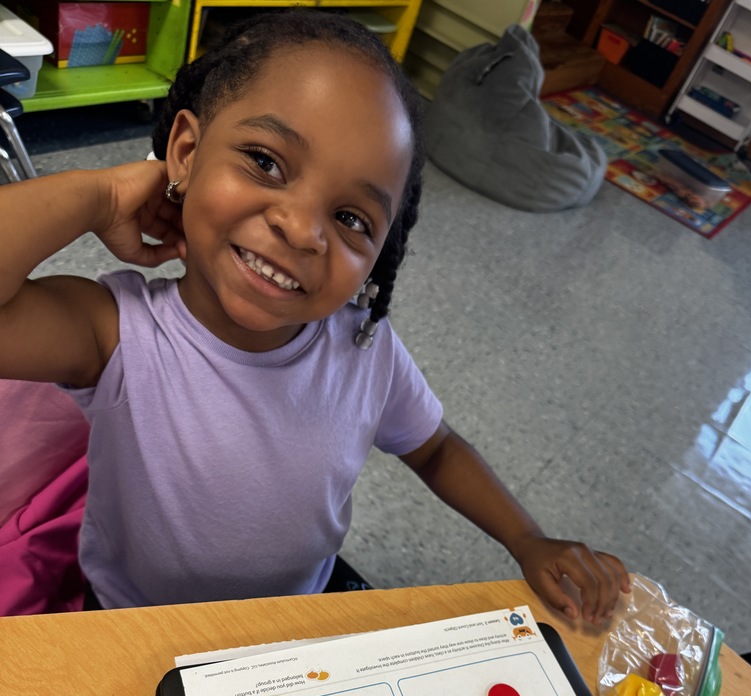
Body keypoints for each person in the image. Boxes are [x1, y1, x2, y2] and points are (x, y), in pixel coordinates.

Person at [0, 9, 630, 623]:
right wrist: (100, 194)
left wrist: (526, 539)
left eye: (352, 218)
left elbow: (435, 449)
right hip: (128, 627)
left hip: (291, 633)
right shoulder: (115, 333)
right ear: (186, 152)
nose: (302, 231)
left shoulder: (365, 349)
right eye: (266, 162)